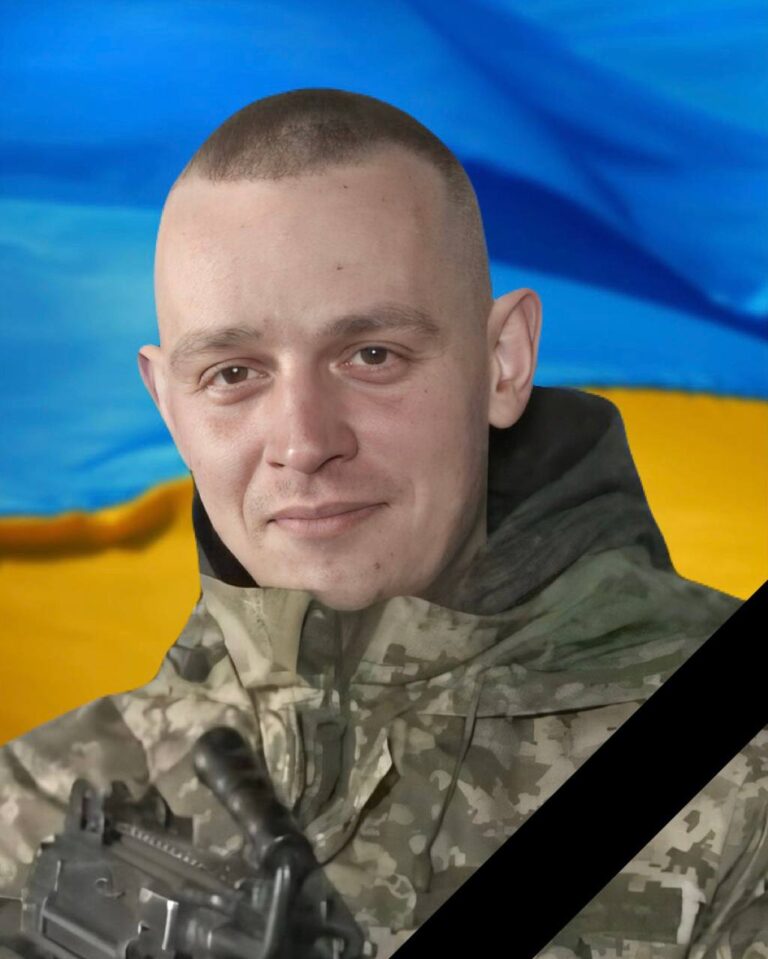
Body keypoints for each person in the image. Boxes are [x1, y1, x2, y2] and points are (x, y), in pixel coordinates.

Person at [0, 89, 765, 958]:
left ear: (504, 362)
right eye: (233, 373)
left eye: (372, 356)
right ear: (168, 403)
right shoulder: (32, 807)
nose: (304, 442)